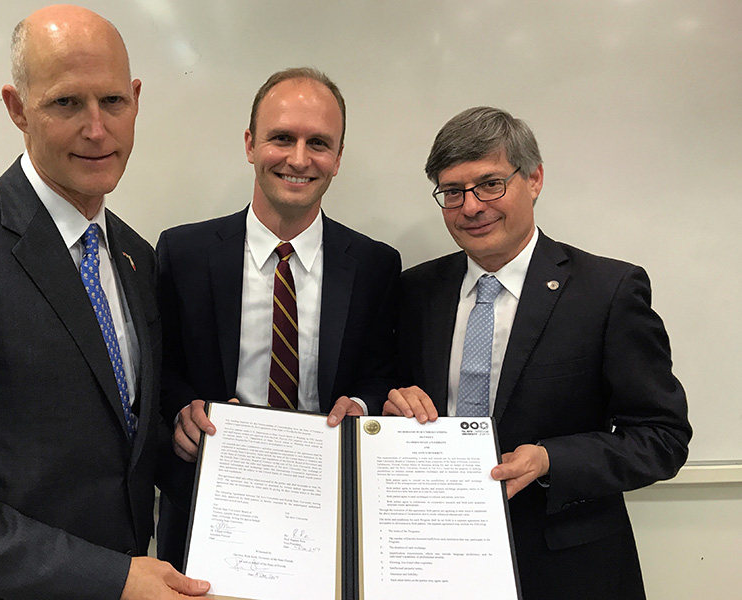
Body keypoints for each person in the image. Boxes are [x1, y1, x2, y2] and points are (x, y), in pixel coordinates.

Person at [0, 6, 209, 599]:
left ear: (136, 98)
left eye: (113, 102)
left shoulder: (133, 255)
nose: (97, 129)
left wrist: (186, 435)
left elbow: (115, 440)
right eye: (66, 103)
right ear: (17, 107)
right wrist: (110, 578)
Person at [385, 106, 691, 599]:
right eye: (453, 191)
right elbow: (393, 391)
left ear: (534, 179)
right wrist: (394, 401)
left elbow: (663, 438)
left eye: (490, 184)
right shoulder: (416, 290)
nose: (471, 206)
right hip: (431, 562)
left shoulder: (608, 291)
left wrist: (551, 459)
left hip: (567, 570)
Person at [155, 67, 401, 568]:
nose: (298, 159)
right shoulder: (182, 251)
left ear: (337, 160)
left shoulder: (376, 265)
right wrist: (184, 408)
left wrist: (361, 403)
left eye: (319, 143)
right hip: (209, 503)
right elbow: (156, 368)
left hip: (328, 508)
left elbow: (384, 372)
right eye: (282, 138)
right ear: (250, 144)